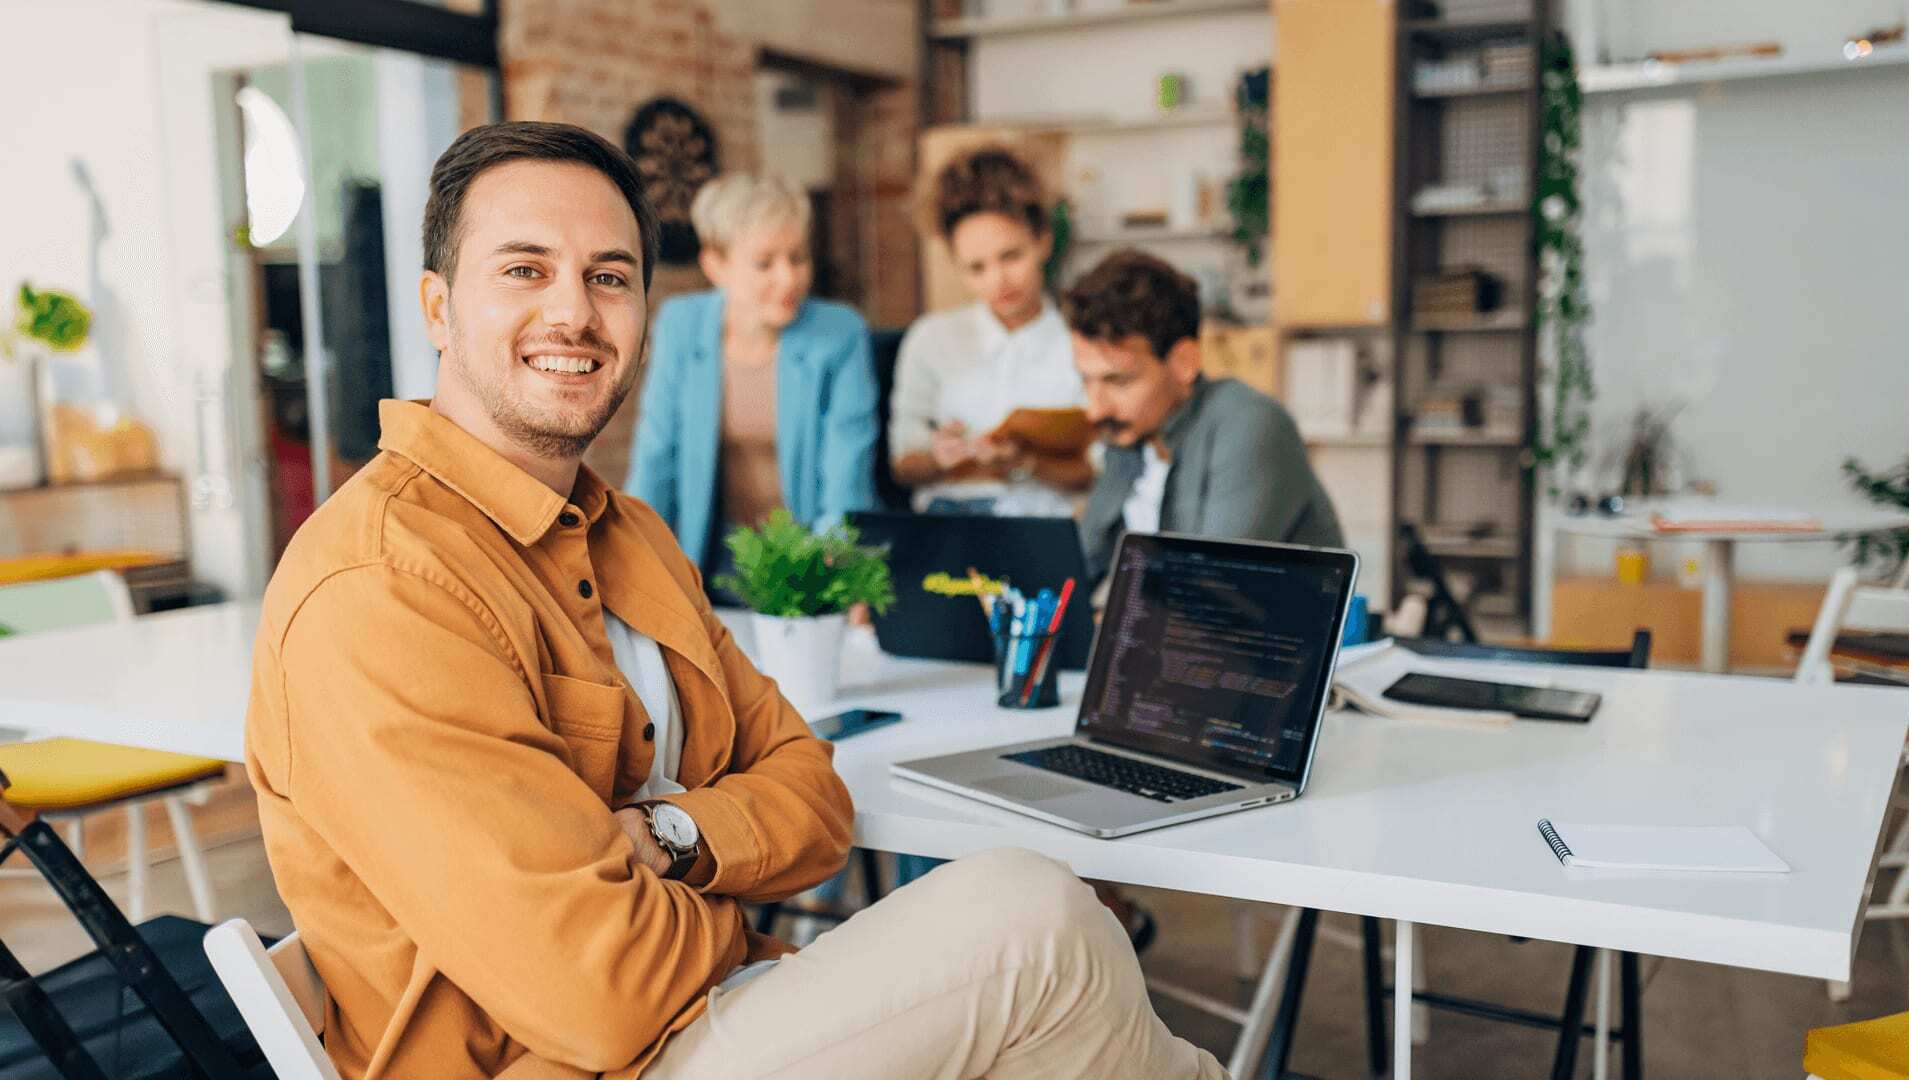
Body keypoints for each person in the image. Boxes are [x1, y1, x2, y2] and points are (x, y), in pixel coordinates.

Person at [245, 121, 1227, 1080]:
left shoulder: (629, 537)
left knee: (1048, 1002)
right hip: (586, 1058)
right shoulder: (382, 587)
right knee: (1038, 923)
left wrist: (667, 836)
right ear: (435, 307)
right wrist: (722, 874)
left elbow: (813, 792)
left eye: (609, 276)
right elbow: (601, 995)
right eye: (524, 269)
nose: (576, 313)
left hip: (717, 1010)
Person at [628, 173, 878, 586]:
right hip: (711, 564)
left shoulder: (840, 334)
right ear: (715, 265)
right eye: (765, 263)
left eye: (798, 258)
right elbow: (656, 458)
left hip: (809, 562)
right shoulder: (681, 325)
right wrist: (635, 567)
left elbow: (846, 476)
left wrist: (833, 580)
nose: (788, 278)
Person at [1066, 249, 1345, 584]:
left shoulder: (1250, 424)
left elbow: (1210, 588)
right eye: (1086, 380)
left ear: (1184, 362)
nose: (1095, 410)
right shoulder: (1132, 435)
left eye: (1119, 381)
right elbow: (1075, 575)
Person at [889, 146, 1091, 516]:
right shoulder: (931, 340)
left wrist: (1024, 462)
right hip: (951, 526)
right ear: (956, 264)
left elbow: (1095, 473)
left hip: (1044, 528)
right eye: (976, 268)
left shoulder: (1081, 343)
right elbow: (904, 465)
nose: (998, 280)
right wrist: (938, 457)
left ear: (1043, 241)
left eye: (1011, 256)